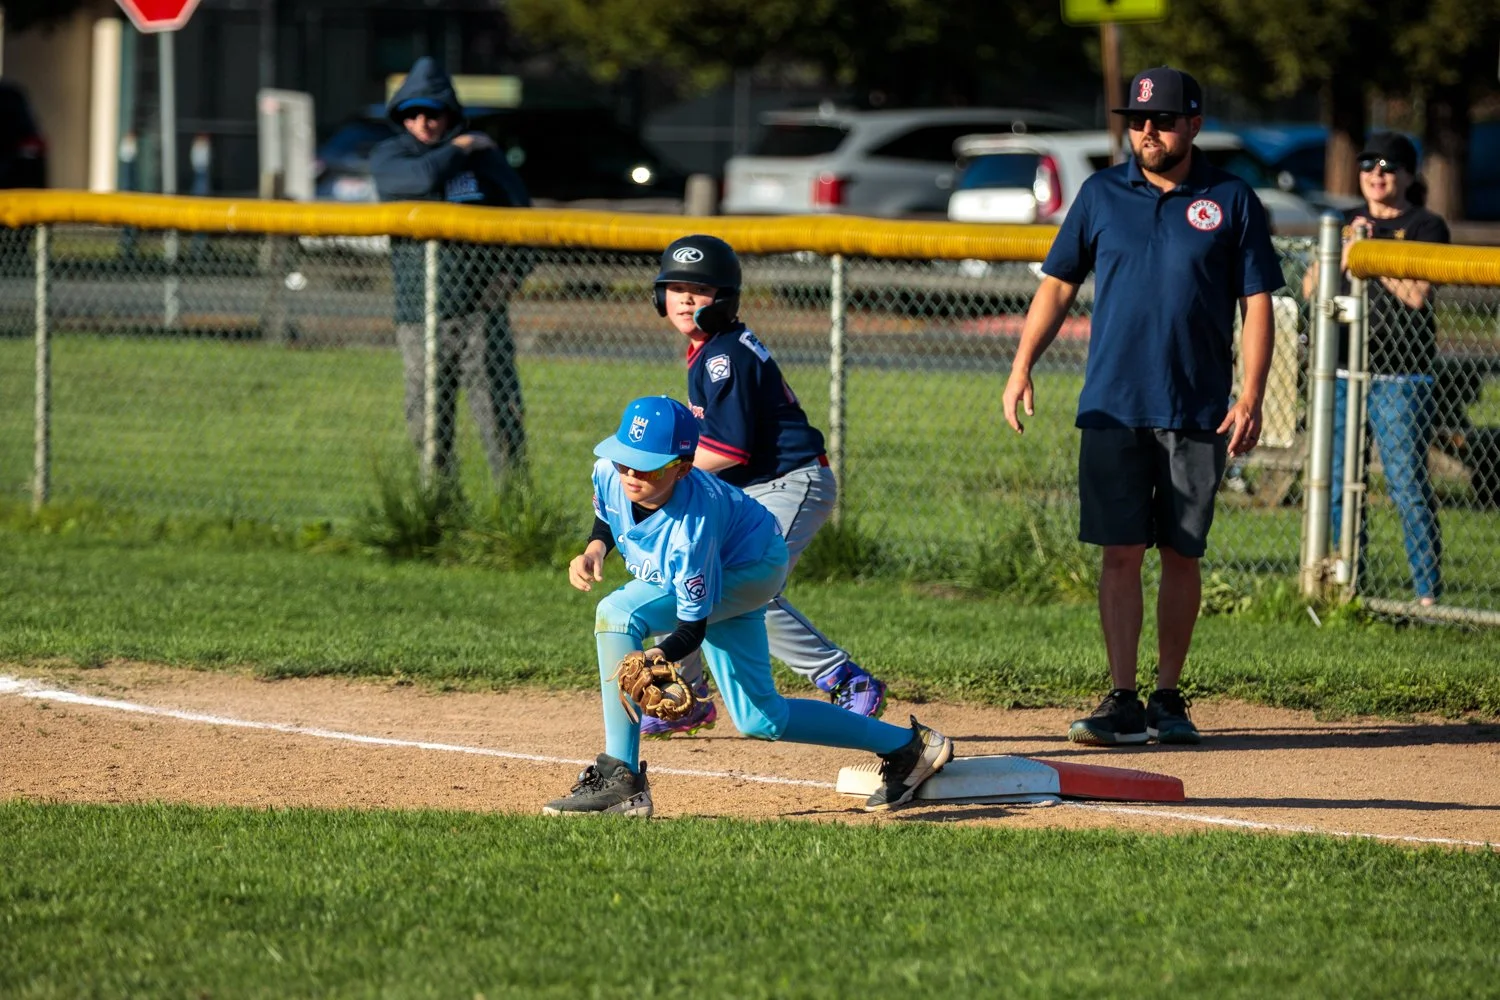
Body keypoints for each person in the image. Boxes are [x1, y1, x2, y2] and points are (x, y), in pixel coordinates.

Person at [1002, 67, 1283, 746]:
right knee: (1120, 551)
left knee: (1182, 552)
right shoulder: (1101, 194)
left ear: (1193, 123)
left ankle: (1168, 697)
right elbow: (1058, 285)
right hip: (1113, 406)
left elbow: (1258, 304)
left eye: (1160, 119)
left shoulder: (1230, 198)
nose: (1147, 131)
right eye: (1136, 120)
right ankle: (1123, 697)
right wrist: (1021, 366)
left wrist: (1250, 394)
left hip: (1197, 407)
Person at [543, 396, 952, 816]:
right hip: (733, 557)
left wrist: (657, 656)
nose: (629, 472)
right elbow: (610, 515)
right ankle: (908, 748)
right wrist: (595, 548)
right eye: (624, 458)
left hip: (752, 569)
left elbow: (692, 626)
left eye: (646, 466)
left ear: (682, 468)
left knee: (617, 614)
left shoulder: (690, 529)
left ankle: (621, 778)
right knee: (761, 718)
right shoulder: (608, 472)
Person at [632, 235, 888, 739]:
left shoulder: (723, 356)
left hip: (790, 483)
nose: (685, 299)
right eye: (676, 288)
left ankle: (844, 678)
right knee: (693, 572)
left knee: (748, 584)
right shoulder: (708, 350)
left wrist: (667, 476)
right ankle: (686, 698)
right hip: (755, 490)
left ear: (724, 299)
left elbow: (728, 450)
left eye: (699, 290)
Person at [1300, 132, 1448, 605]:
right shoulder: (1344, 223)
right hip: (1343, 371)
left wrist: (1367, 257)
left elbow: (1416, 295)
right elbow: (1309, 290)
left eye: (1387, 167)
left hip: (1400, 376)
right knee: (1341, 482)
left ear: (1408, 175)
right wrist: (1341, 250)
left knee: (1406, 485)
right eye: (1367, 166)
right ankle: (1349, 583)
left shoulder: (1426, 225)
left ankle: (1427, 592)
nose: (1376, 175)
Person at [370, 57, 531, 485]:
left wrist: (509, 280)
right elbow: (418, 179)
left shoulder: (486, 161)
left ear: (451, 114)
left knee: (499, 416)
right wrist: (459, 148)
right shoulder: (392, 156)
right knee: (427, 421)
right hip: (418, 316)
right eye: (412, 112)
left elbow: (525, 220)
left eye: (433, 112)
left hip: (481, 313)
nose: (423, 121)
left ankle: (514, 508)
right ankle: (437, 509)